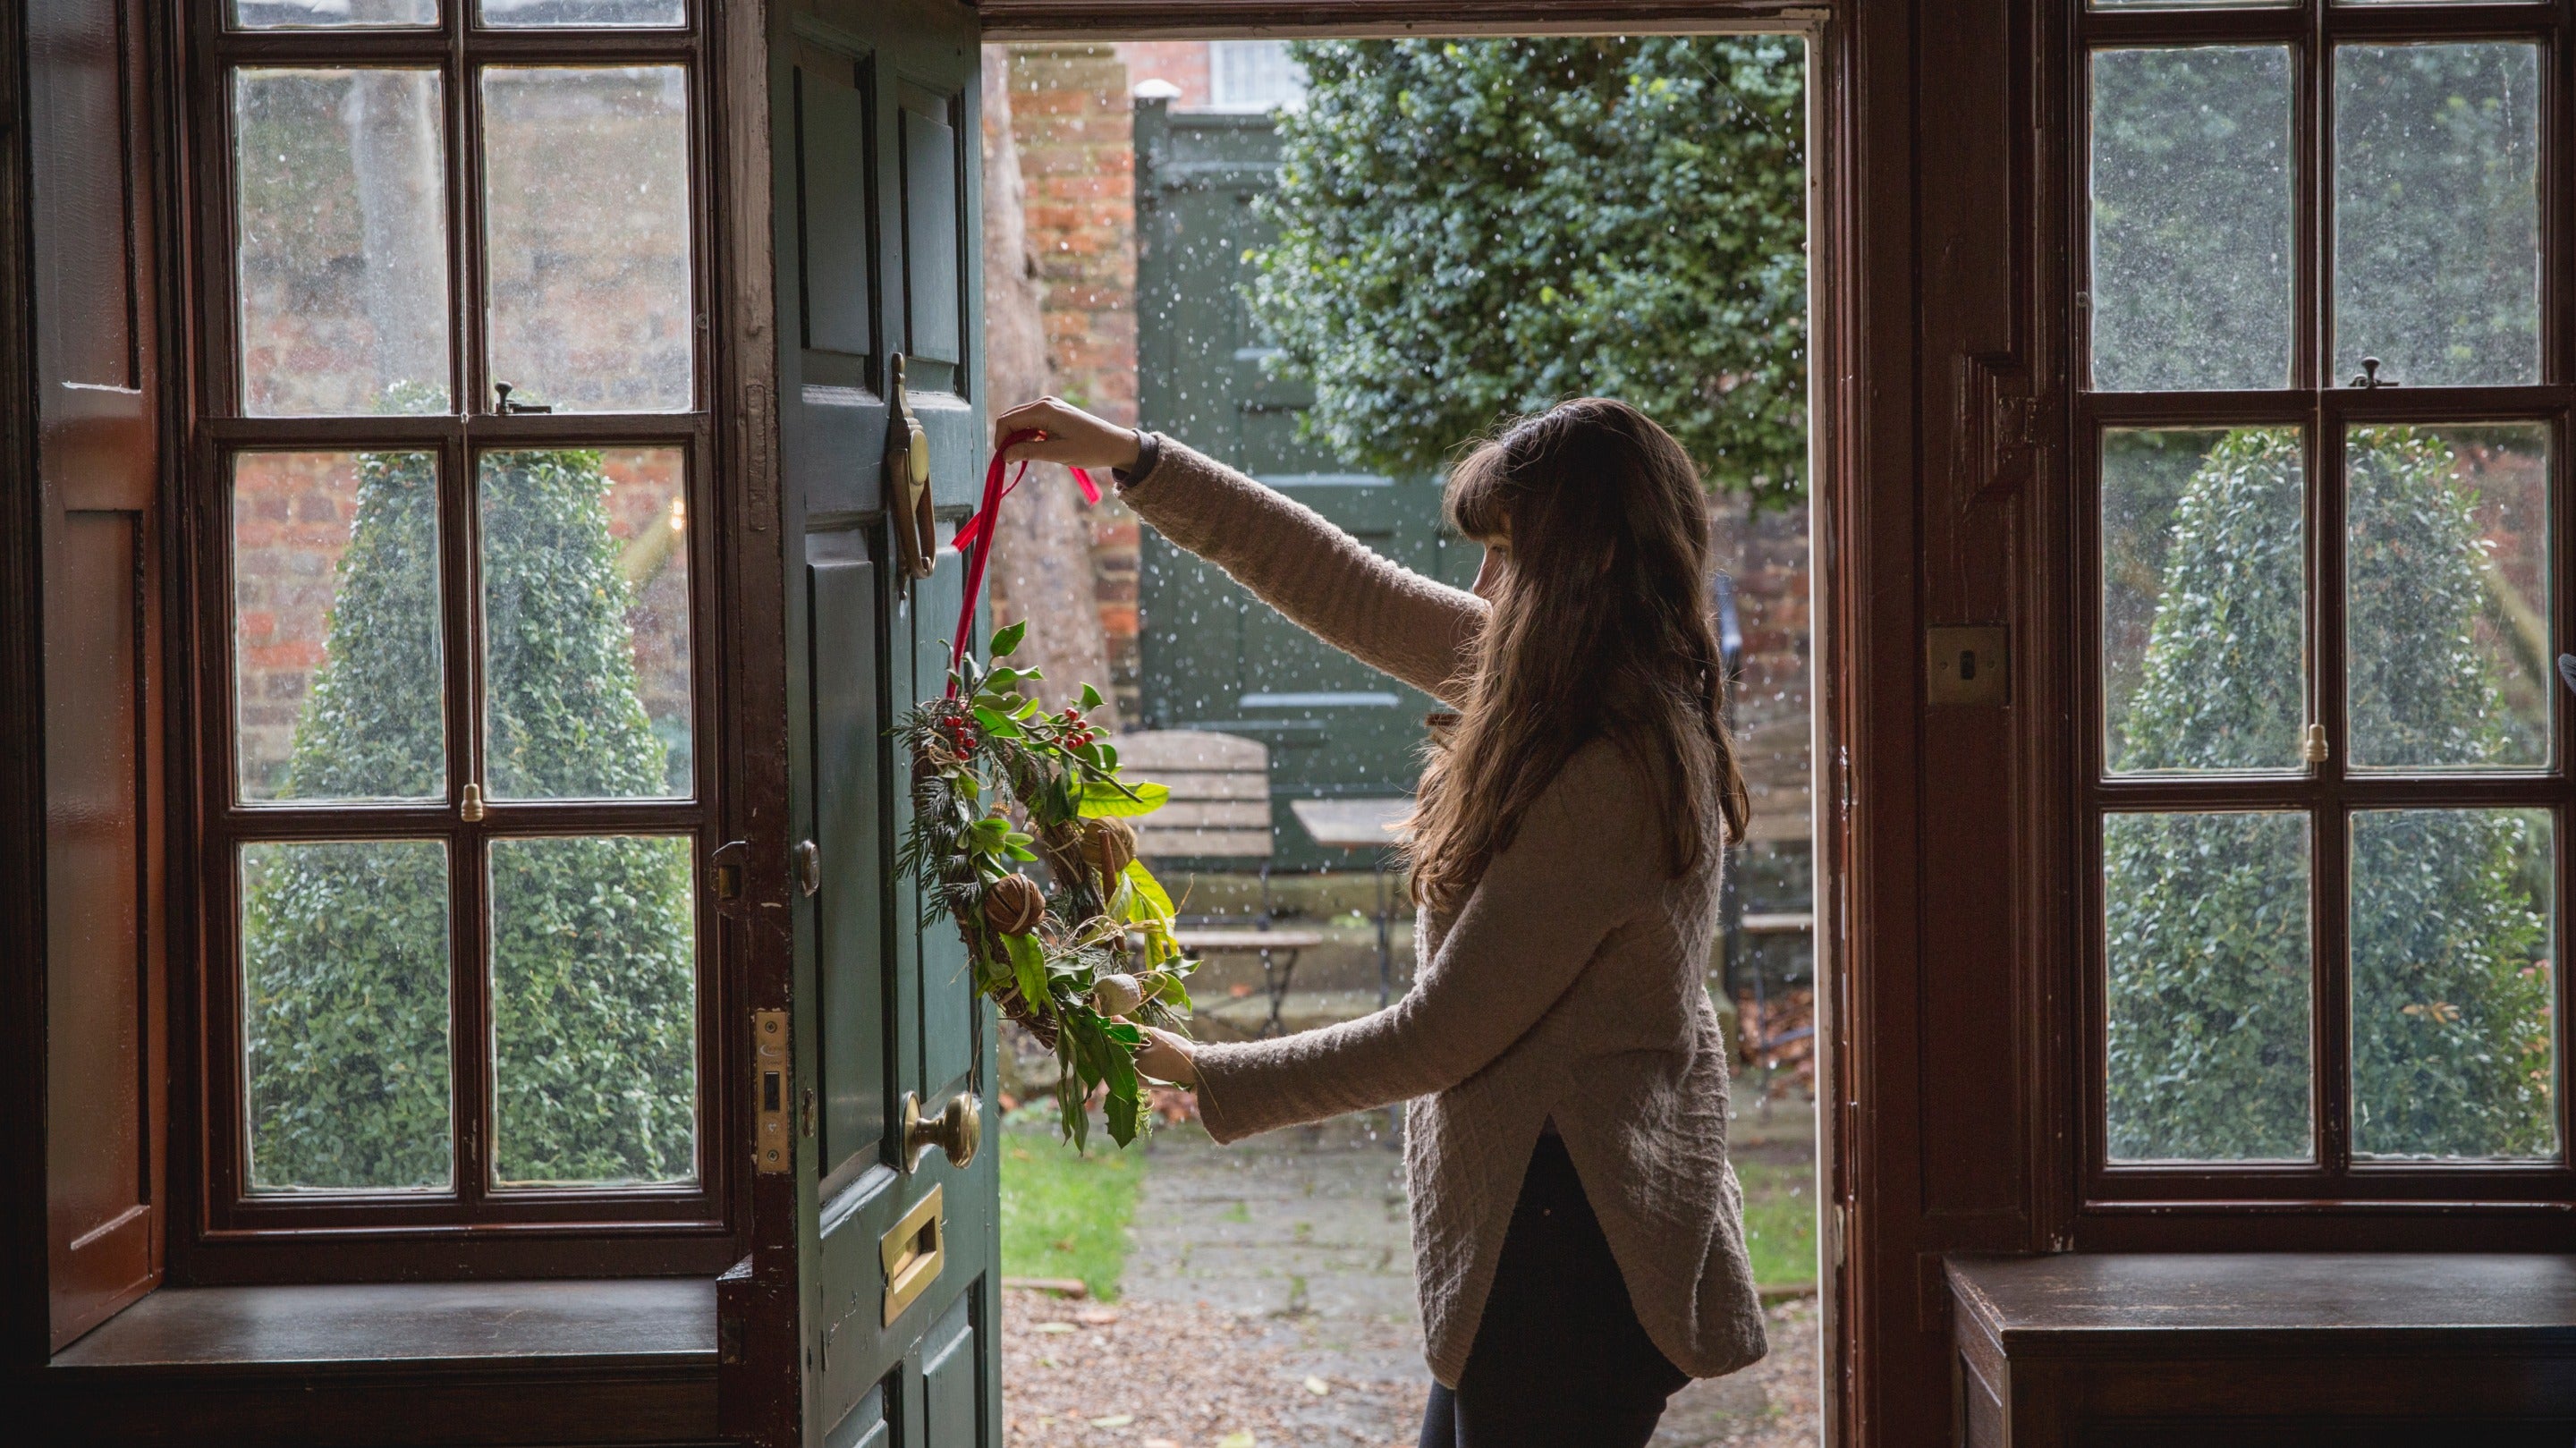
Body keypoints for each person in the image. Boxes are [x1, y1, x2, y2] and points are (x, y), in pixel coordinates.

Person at [996, 395, 1766, 1448]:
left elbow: (1437, 1032)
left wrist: (1204, 1070)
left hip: (1574, 1256)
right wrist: (1138, 460)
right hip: (1543, 1235)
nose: (1482, 586)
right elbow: (1338, 584)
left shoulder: (1614, 775)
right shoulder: (1565, 678)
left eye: (1507, 555)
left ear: (1585, 566)